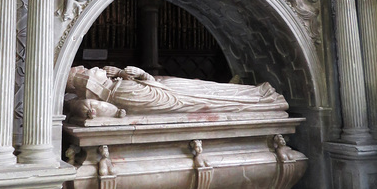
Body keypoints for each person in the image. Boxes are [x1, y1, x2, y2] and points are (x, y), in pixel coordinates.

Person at [64, 65, 286, 118]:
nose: (101, 70)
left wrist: (128, 74)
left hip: (165, 88)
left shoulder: (117, 85)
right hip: (173, 95)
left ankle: (243, 92)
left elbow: (154, 86)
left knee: (201, 87)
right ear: (89, 82)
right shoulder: (118, 93)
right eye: (96, 72)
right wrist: (139, 76)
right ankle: (257, 98)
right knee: (203, 96)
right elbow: (166, 99)